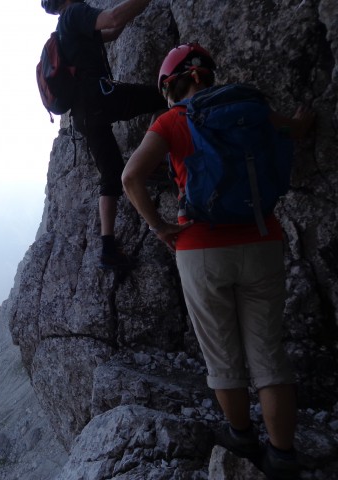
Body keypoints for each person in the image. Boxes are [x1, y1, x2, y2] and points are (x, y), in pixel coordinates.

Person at [121, 43, 314, 479]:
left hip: (200, 249)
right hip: (262, 238)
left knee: (223, 357)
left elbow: (130, 176)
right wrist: (303, 121)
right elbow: (296, 132)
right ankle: (282, 456)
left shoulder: (172, 120)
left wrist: (159, 226)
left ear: (171, 84)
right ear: (206, 75)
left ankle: (241, 437)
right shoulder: (252, 110)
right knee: (268, 354)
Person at [41, 0, 167, 269]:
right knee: (163, 98)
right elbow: (111, 18)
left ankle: (108, 247)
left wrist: (134, 11)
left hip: (82, 115)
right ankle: (151, 160)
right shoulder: (74, 13)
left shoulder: (64, 30)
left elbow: (111, 32)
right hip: (100, 98)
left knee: (111, 176)